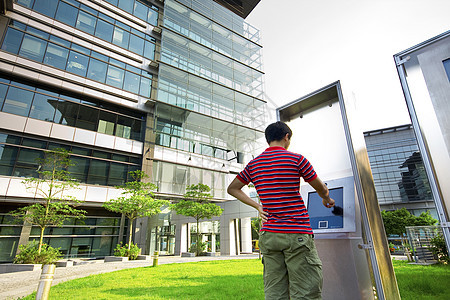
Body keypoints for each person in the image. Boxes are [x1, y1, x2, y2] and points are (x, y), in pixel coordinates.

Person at [227, 121, 335, 300]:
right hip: (296, 233)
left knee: (275, 292)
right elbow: (320, 187)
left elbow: (233, 188)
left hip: (269, 235)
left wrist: (257, 206)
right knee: (306, 291)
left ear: (268, 139)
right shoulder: (297, 159)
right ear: (286, 137)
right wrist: (326, 198)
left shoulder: (254, 164)